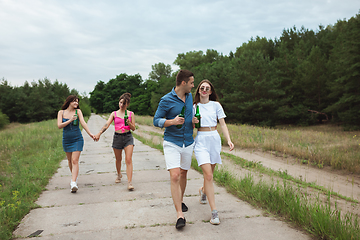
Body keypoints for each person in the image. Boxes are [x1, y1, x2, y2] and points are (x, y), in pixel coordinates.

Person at [153, 69, 195, 229]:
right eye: (191, 83)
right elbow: (156, 121)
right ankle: (179, 215)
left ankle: (180, 199)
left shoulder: (190, 97)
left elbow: (191, 116)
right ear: (183, 83)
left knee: (184, 173)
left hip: (188, 142)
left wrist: (194, 120)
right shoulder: (166, 100)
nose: (193, 85)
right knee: (175, 175)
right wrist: (172, 121)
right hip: (172, 142)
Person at [192, 79, 234, 225]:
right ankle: (214, 212)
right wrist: (193, 122)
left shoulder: (216, 105)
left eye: (207, 88)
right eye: (202, 88)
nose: (204, 90)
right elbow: (190, 125)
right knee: (208, 175)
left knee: (210, 174)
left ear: (210, 91)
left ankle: (203, 190)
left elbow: (222, 124)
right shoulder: (194, 106)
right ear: (198, 90)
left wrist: (228, 140)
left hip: (214, 139)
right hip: (201, 140)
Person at [94, 93, 136, 191]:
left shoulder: (130, 114)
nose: (121, 105)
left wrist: (129, 123)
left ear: (127, 104)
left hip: (128, 137)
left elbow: (133, 128)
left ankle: (129, 182)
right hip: (117, 137)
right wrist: (99, 133)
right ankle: (119, 174)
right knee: (118, 159)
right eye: (120, 102)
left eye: (124, 103)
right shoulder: (114, 114)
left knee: (128, 159)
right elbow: (106, 124)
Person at [57, 95, 95, 193]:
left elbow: (83, 123)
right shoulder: (61, 112)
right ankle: (75, 178)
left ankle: (73, 182)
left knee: (75, 161)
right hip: (66, 139)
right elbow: (59, 126)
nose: (76, 103)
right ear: (69, 102)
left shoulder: (78, 112)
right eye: (74, 101)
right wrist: (70, 120)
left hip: (77, 139)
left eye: (77, 102)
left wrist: (90, 133)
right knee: (69, 161)